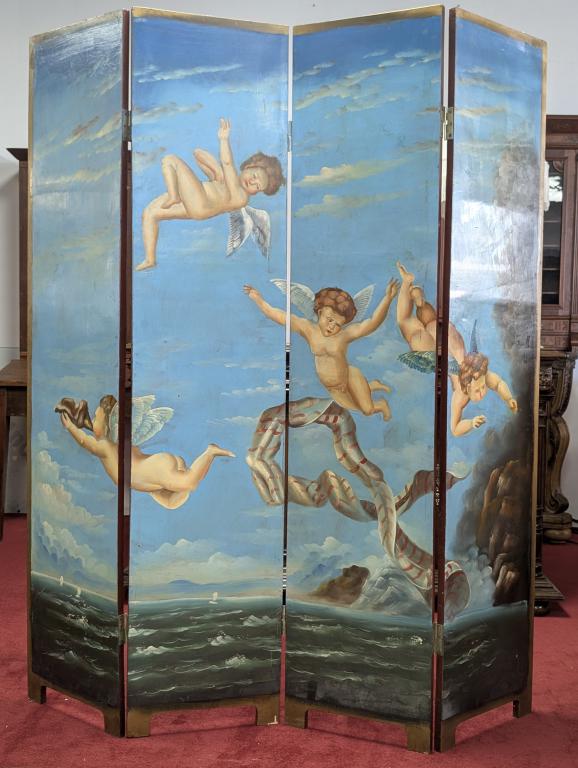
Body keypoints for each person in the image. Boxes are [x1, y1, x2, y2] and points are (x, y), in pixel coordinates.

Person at [137, 118, 285, 270]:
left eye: (257, 186)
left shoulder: (241, 197)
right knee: (150, 213)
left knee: (170, 160)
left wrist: (223, 140)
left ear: (257, 192)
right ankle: (150, 259)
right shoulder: (226, 182)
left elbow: (227, 163)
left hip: (201, 204)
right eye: (254, 176)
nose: (252, 183)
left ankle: (173, 195)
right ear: (248, 166)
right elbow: (198, 154)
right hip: (194, 204)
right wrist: (217, 172)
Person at [244, 280, 399, 420]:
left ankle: (381, 404)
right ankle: (371, 385)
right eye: (330, 320)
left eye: (338, 324)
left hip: (349, 377)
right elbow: (279, 316)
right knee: (354, 407)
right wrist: (258, 300)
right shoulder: (308, 329)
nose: (332, 326)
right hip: (333, 388)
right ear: (320, 312)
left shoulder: (343, 335)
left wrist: (388, 299)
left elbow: (372, 323)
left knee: (368, 410)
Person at [395, 261, 518, 437]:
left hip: (444, 333)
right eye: (478, 390)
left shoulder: (479, 375)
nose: (482, 392)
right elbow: (455, 429)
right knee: (404, 322)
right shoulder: (461, 394)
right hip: (432, 348)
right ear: (467, 387)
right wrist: (471, 423)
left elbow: (498, 384)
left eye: (482, 388)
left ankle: (419, 302)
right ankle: (408, 284)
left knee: (429, 318)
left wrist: (508, 398)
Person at [59, 395, 234, 509]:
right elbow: (94, 432)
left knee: (188, 483)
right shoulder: (113, 442)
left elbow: (85, 441)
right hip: (150, 479)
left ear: (107, 424)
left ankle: (210, 452)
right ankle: (184, 471)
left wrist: (70, 427)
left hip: (154, 469)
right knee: (170, 502)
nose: (93, 421)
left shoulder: (105, 446)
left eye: (96, 417)